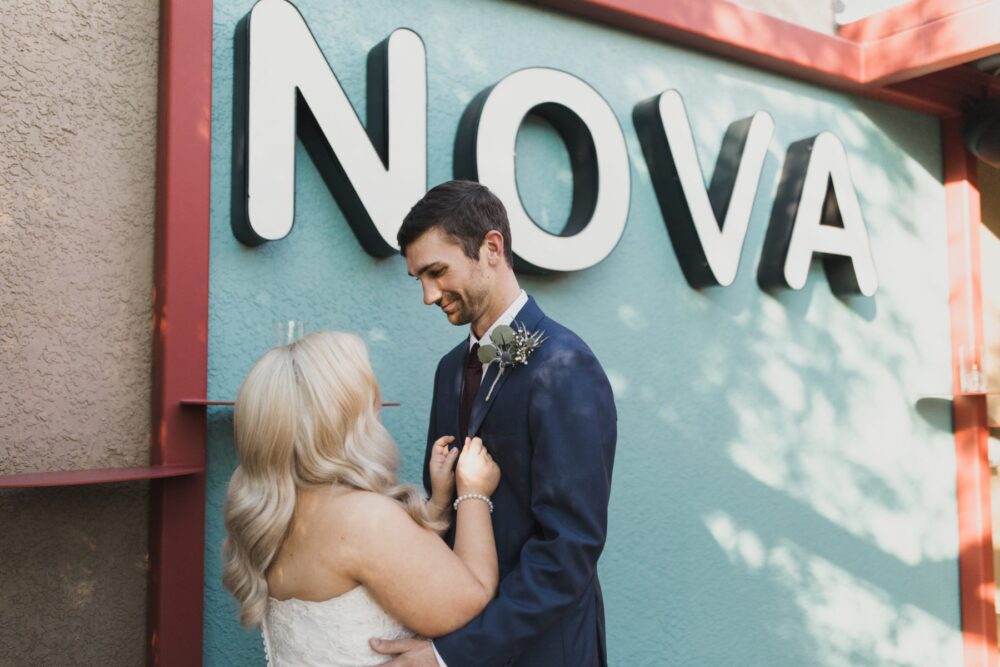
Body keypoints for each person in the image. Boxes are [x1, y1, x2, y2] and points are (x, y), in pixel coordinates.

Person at [372, 180, 617, 667]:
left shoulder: (565, 367)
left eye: (437, 272)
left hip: (544, 653)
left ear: (491, 248)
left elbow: (568, 550)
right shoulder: (449, 371)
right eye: (419, 279)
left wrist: (450, 655)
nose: (428, 295)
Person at [222, 331, 502, 666]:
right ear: (344, 416)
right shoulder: (361, 517)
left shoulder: (272, 510)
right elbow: (472, 597)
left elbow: (388, 566)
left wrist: (438, 504)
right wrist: (473, 492)